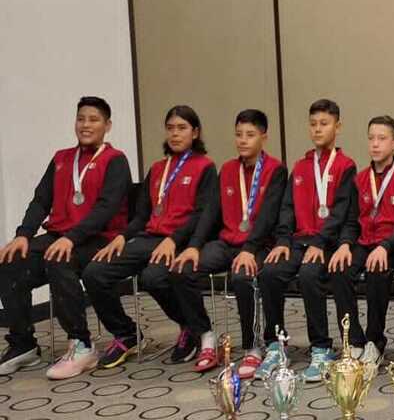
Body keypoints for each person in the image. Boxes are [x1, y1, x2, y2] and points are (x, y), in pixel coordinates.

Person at [0, 97, 133, 378]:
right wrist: (23, 235)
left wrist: (71, 238)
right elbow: (40, 201)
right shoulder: (62, 158)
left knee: (59, 259)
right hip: (60, 235)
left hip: (99, 238)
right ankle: (23, 343)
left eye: (93, 119)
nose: (86, 125)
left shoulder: (115, 160)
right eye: (81, 118)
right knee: (11, 261)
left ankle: (82, 345)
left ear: (107, 126)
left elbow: (105, 209)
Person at [83, 105, 218, 369]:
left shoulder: (205, 167)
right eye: (170, 128)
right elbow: (142, 215)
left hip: (180, 241)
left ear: (195, 132)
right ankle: (125, 333)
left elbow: (202, 215)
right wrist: (123, 236)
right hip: (148, 239)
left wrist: (174, 240)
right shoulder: (158, 169)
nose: (175, 134)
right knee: (94, 272)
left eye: (182, 128)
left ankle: (190, 328)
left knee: (153, 278)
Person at [167, 109, 287, 376]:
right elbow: (210, 212)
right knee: (180, 269)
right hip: (226, 242)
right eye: (238, 135)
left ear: (263, 137)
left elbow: (268, 217)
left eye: (250, 135)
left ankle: (253, 347)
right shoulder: (228, 170)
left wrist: (249, 249)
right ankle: (206, 337)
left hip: (258, 245)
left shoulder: (275, 170)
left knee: (243, 276)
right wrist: (193, 246)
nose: (243, 140)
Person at [259, 99, 358, 382]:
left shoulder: (345, 166)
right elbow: (287, 209)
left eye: (324, 124)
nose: (317, 129)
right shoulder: (301, 167)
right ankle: (276, 344)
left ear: (337, 127)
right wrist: (281, 240)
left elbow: (340, 212)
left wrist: (320, 241)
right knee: (269, 273)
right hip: (298, 241)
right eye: (313, 124)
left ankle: (321, 347)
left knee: (309, 274)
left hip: (328, 244)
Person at [329, 115, 394, 365]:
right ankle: (354, 340)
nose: (375, 144)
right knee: (339, 268)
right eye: (371, 139)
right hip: (364, 242)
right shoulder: (359, 179)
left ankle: (374, 341)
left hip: (392, 245)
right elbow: (351, 220)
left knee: (378, 269)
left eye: (382, 138)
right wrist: (345, 244)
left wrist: (385, 247)